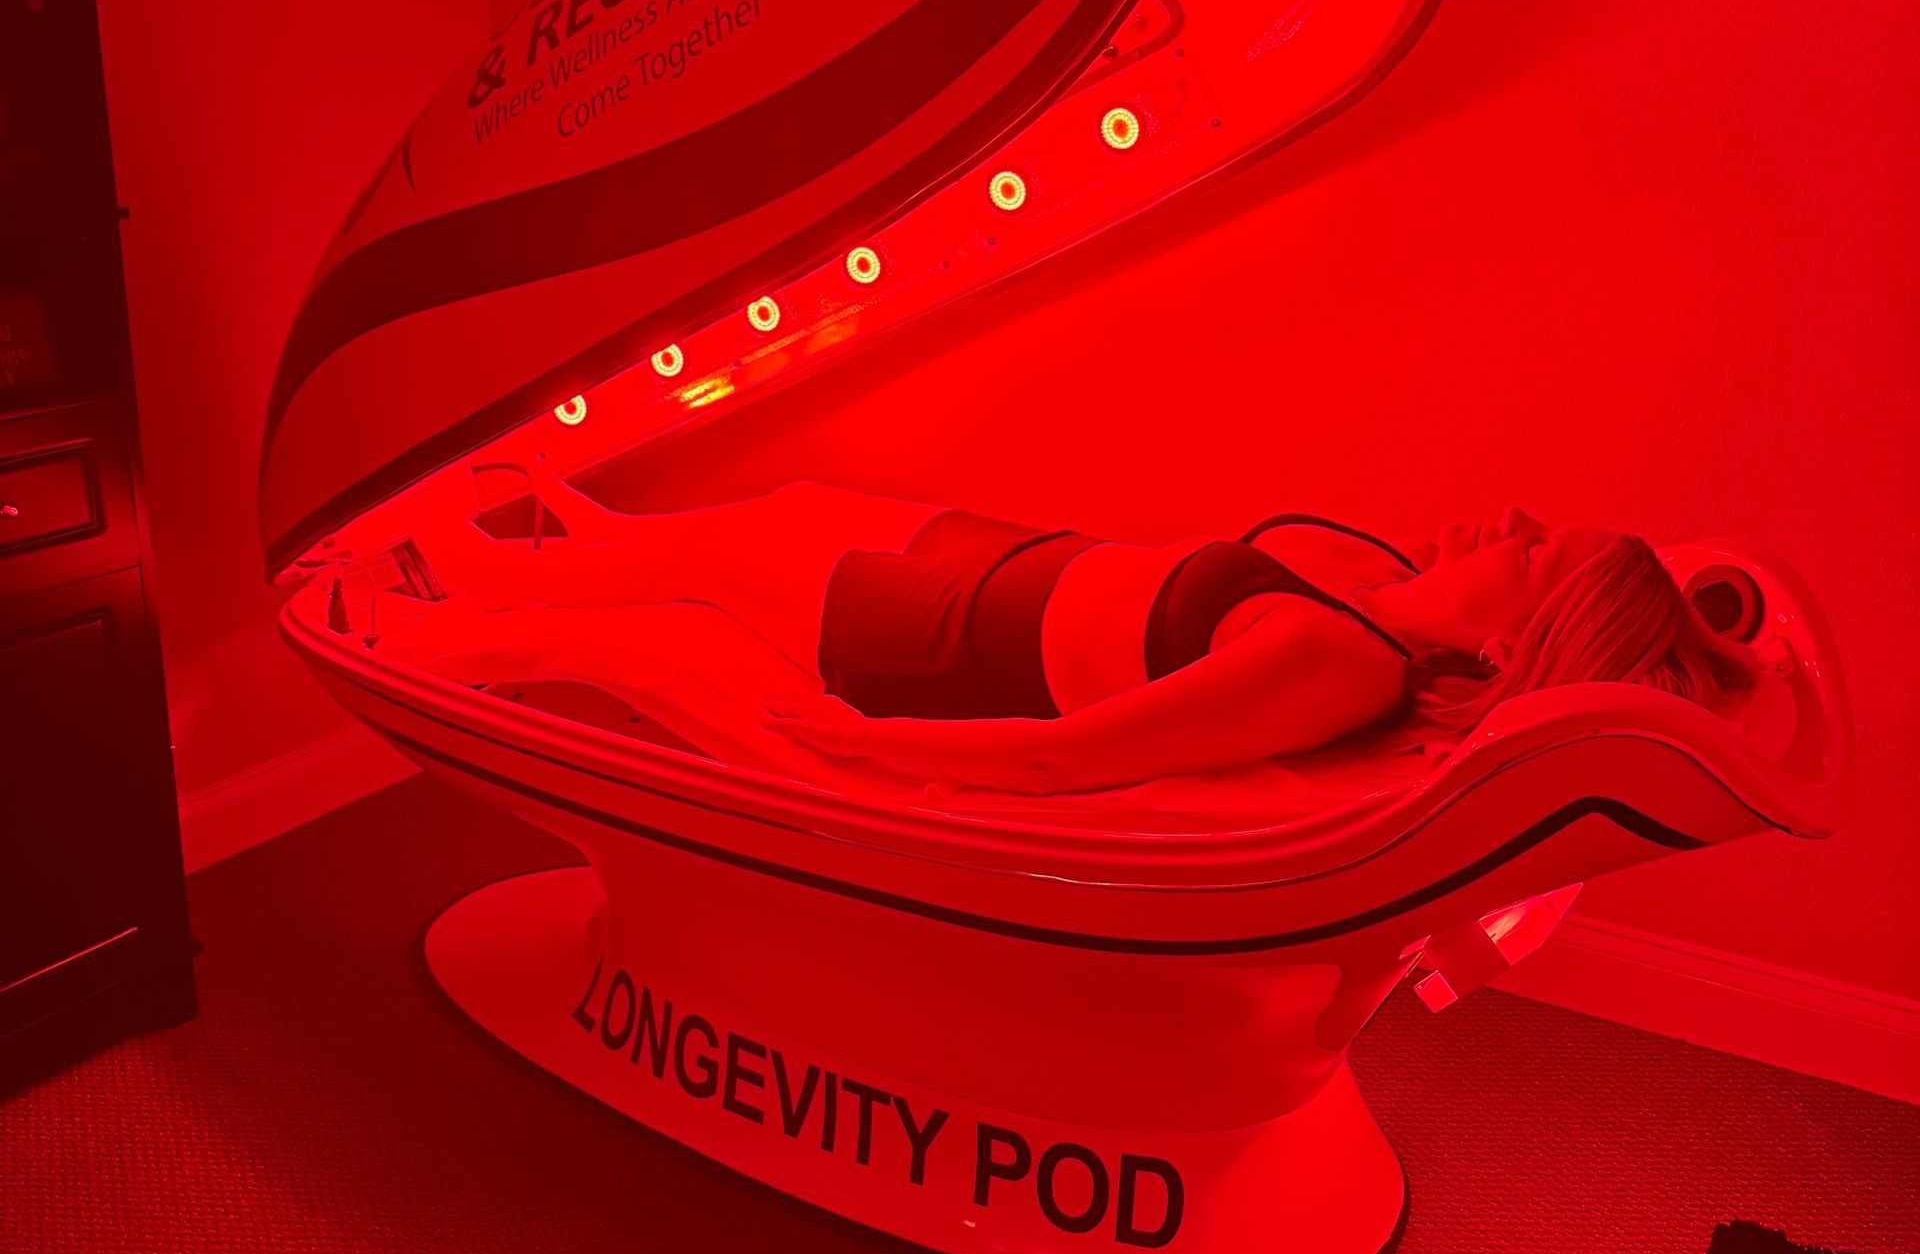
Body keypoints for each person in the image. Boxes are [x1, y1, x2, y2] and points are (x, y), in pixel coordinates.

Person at [417, 465, 1755, 797]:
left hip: (938, 640)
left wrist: (867, 748)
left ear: (1514, 648)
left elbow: (1070, 757)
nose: (1511, 515)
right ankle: (554, 543)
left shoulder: (1338, 664)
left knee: (704, 568)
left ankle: (460, 580)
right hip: (989, 557)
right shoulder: (1374, 594)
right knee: (761, 514)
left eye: (1533, 549)